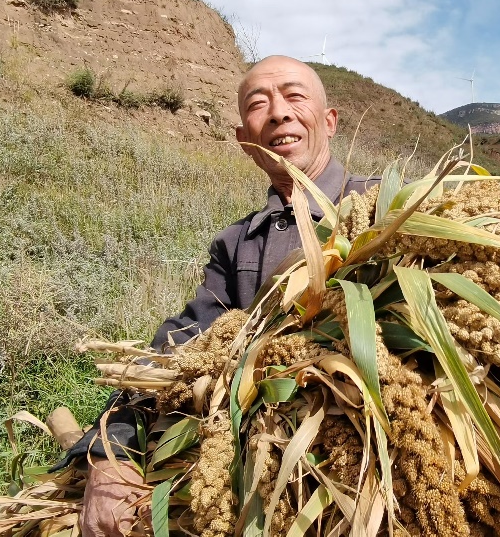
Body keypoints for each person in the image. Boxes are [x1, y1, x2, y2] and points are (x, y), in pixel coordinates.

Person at [70, 55, 376, 536]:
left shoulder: (392, 210)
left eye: (294, 96)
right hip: (259, 473)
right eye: (260, 104)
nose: (278, 112)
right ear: (245, 140)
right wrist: (112, 450)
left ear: (330, 121)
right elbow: (179, 349)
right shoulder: (236, 245)